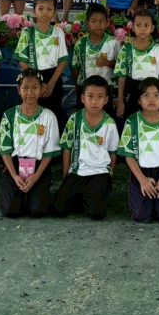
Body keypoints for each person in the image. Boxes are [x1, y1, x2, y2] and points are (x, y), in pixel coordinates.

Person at [52, 75, 120, 220]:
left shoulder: (110, 124)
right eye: (90, 96)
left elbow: (113, 153)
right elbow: (67, 149)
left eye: (100, 97)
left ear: (106, 100)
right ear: (83, 98)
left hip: (100, 172)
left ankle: (95, 194)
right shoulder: (74, 119)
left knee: (97, 213)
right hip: (77, 172)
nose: (95, 101)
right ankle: (84, 196)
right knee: (59, 208)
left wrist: (110, 177)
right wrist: (66, 177)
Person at [117, 77, 159, 224]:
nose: (151, 99)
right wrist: (142, 180)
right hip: (140, 172)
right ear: (139, 100)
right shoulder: (132, 121)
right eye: (146, 95)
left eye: (156, 95)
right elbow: (128, 156)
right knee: (141, 216)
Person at [0, 69, 61, 218]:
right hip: (15, 165)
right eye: (25, 88)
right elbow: (5, 150)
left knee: (38, 211)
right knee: (11, 211)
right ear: (18, 90)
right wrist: (14, 176)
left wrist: (36, 176)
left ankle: (34, 192)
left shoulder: (49, 116)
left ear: (41, 89)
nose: (30, 93)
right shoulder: (9, 115)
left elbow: (49, 152)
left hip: (39, 166)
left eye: (35, 88)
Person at [13, 0, 69, 126]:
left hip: (53, 79)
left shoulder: (58, 32)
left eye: (49, 9)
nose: (45, 12)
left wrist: (51, 84)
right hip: (32, 77)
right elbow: (22, 62)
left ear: (54, 12)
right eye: (41, 8)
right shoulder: (27, 32)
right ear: (34, 11)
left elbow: (63, 60)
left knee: (54, 115)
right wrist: (39, 82)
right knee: (32, 114)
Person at [113, 8, 159, 120]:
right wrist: (121, 101)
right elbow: (121, 77)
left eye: (146, 25)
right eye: (138, 25)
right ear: (133, 27)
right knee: (133, 123)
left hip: (153, 93)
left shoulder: (157, 49)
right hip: (133, 93)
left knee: (151, 123)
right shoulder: (126, 48)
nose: (142, 28)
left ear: (152, 28)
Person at [70, 3, 120, 96]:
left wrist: (107, 63)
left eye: (101, 21)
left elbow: (121, 68)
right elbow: (75, 68)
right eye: (93, 21)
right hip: (85, 88)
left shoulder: (114, 43)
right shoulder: (80, 43)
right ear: (87, 23)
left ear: (107, 23)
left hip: (106, 88)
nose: (98, 24)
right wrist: (77, 84)